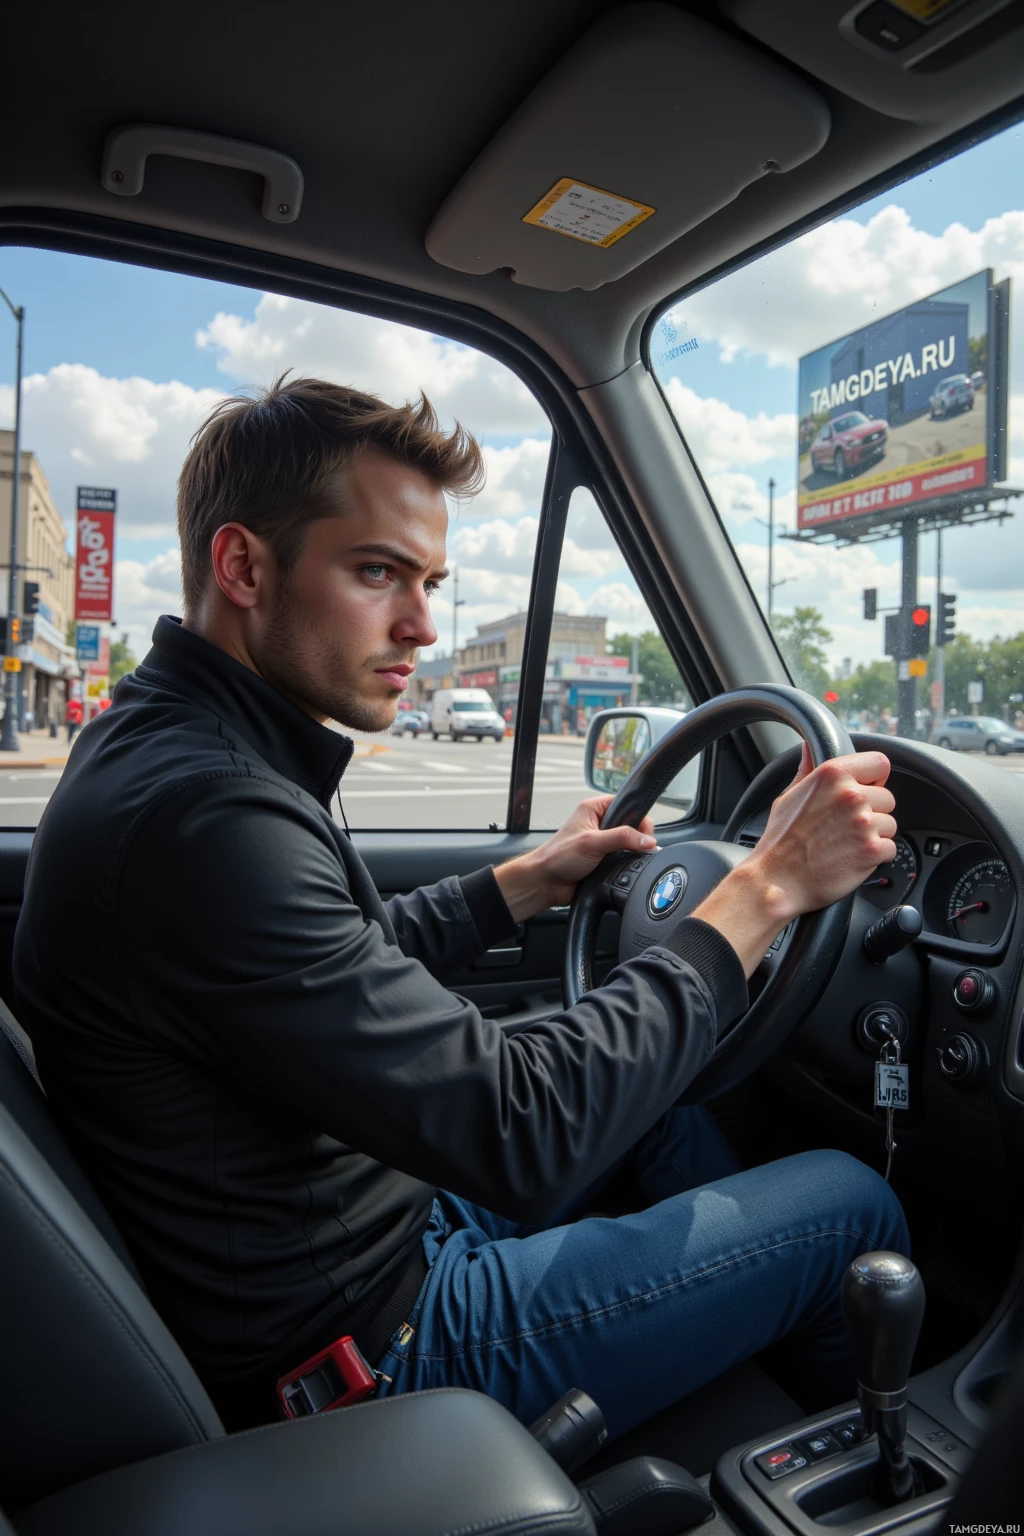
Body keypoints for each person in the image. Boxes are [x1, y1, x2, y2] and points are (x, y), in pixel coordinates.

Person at [14, 377, 906, 1440]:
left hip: (361, 1227)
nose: (423, 625)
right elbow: (522, 1136)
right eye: (378, 571)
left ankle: (732, 1385)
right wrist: (766, 888)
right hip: (367, 1349)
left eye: (429, 580)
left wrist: (526, 880)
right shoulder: (207, 819)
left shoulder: (171, 743)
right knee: (854, 1201)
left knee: (665, 1106)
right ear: (244, 566)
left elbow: (339, 956)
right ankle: (844, 1466)